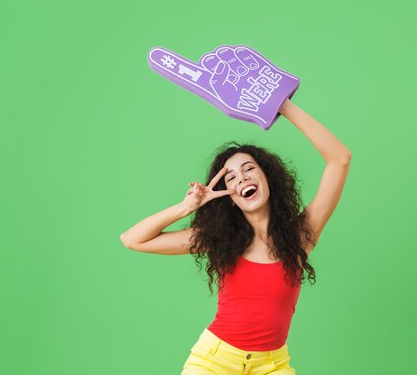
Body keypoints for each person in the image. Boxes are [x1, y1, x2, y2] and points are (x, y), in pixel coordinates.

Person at [120, 99, 352, 374]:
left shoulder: (301, 235)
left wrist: (281, 105)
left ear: (268, 179)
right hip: (214, 361)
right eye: (230, 178)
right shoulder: (220, 239)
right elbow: (133, 239)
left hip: (273, 366)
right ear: (230, 197)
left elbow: (340, 159)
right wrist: (187, 207)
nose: (241, 178)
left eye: (249, 169)